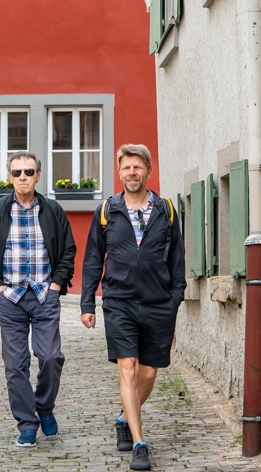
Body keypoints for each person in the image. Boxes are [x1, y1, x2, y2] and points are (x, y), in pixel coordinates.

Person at [81, 144, 186, 471]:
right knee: (128, 366)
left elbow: (178, 258)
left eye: (137, 167)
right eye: (126, 168)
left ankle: (124, 418)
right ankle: (140, 444)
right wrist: (87, 302)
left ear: (148, 171)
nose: (132, 173)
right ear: (119, 172)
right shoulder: (107, 211)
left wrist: (176, 298)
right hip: (119, 302)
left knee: (149, 372)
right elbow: (93, 259)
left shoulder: (166, 210)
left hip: (158, 303)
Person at [0, 151, 77, 447]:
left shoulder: (52, 210)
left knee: (50, 356)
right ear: (9, 177)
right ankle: (27, 423)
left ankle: (44, 406)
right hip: (10, 297)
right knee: (15, 364)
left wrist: (57, 285)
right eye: (17, 172)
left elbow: (68, 250)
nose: (23, 177)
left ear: (38, 176)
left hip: (45, 294)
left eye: (29, 172)